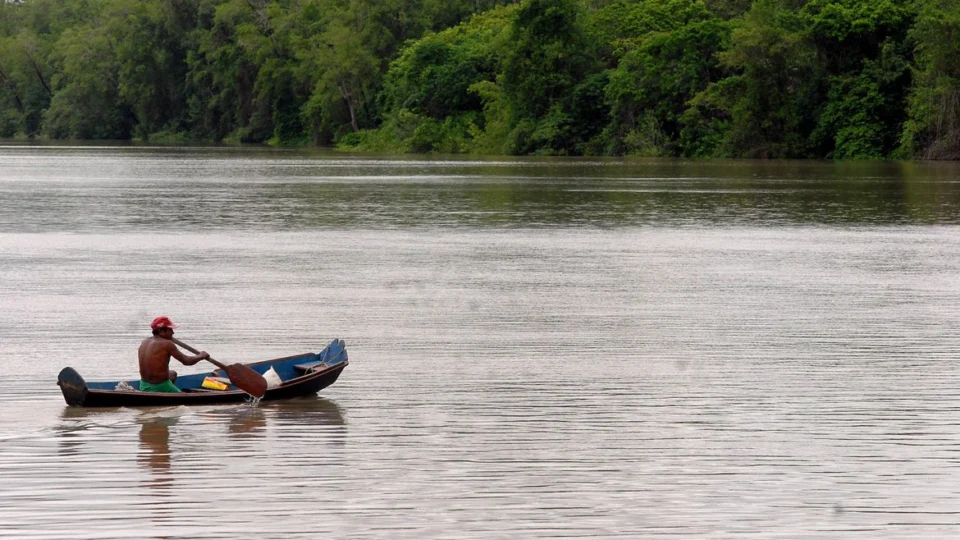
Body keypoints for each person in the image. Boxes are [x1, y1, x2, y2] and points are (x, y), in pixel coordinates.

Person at [138, 316, 210, 393]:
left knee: (172, 374)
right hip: (160, 386)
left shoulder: (144, 341)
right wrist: (201, 356)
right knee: (183, 396)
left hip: (143, 384)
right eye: (170, 330)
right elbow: (186, 361)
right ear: (161, 331)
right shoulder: (167, 343)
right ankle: (168, 391)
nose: (173, 332)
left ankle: (167, 391)